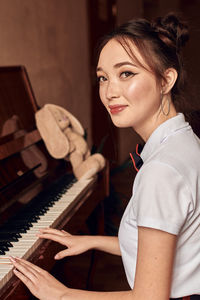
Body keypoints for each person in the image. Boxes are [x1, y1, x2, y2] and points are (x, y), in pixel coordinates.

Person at [9, 12, 200, 300]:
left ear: (166, 80)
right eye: (102, 77)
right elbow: (164, 239)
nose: (110, 91)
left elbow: (149, 297)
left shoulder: (162, 170)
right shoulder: (183, 141)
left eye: (126, 73)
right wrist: (92, 241)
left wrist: (61, 294)